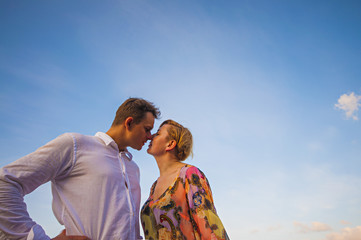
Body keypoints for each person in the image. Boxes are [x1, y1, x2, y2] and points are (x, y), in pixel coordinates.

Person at [0, 98, 160, 240]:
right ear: (129, 123)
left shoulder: (134, 168)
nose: (150, 136)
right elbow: (5, 182)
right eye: (147, 129)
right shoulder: (75, 145)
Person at [141, 120, 229, 240]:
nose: (150, 136)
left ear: (170, 144)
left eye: (157, 133)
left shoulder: (190, 175)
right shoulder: (154, 186)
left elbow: (209, 226)